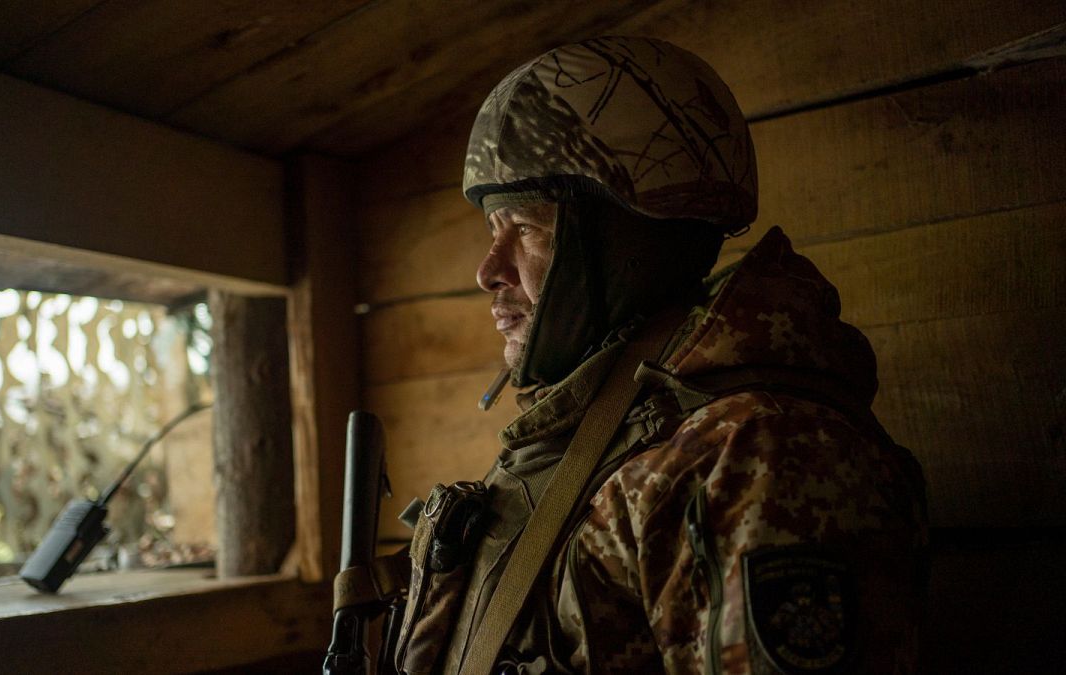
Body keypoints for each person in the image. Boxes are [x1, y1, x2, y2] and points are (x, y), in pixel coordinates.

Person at [391, 36, 927, 674]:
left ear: (624, 244)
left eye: (529, 227)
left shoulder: (755, 451)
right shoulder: (604, 434)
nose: (488, 271)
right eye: (493, 228)